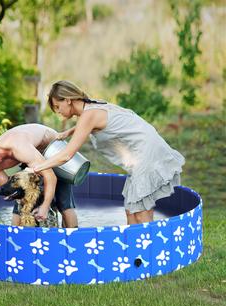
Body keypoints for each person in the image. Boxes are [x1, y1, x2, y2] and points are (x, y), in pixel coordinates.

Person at [32, 80, 185, 225]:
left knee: (140, 210)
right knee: (131, 209)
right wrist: (69, 132)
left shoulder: (88, 116)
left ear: (68, 100)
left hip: (145, 151)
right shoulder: (92, 105)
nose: (57, 112)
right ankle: (134, 249)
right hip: (146, 146)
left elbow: (66, 155)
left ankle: (149, 250)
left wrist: (38, 167)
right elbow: (95, 122)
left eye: (58, 106)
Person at [0, 124, 78, 227]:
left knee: (64, 203)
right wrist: (14, 196)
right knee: (20, 202)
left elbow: (50, 176)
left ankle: (73, 242)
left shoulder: (18, 146)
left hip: (54, 149)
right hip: (32, 159)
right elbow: (15, 193)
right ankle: (15, 238)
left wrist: (45, 206)